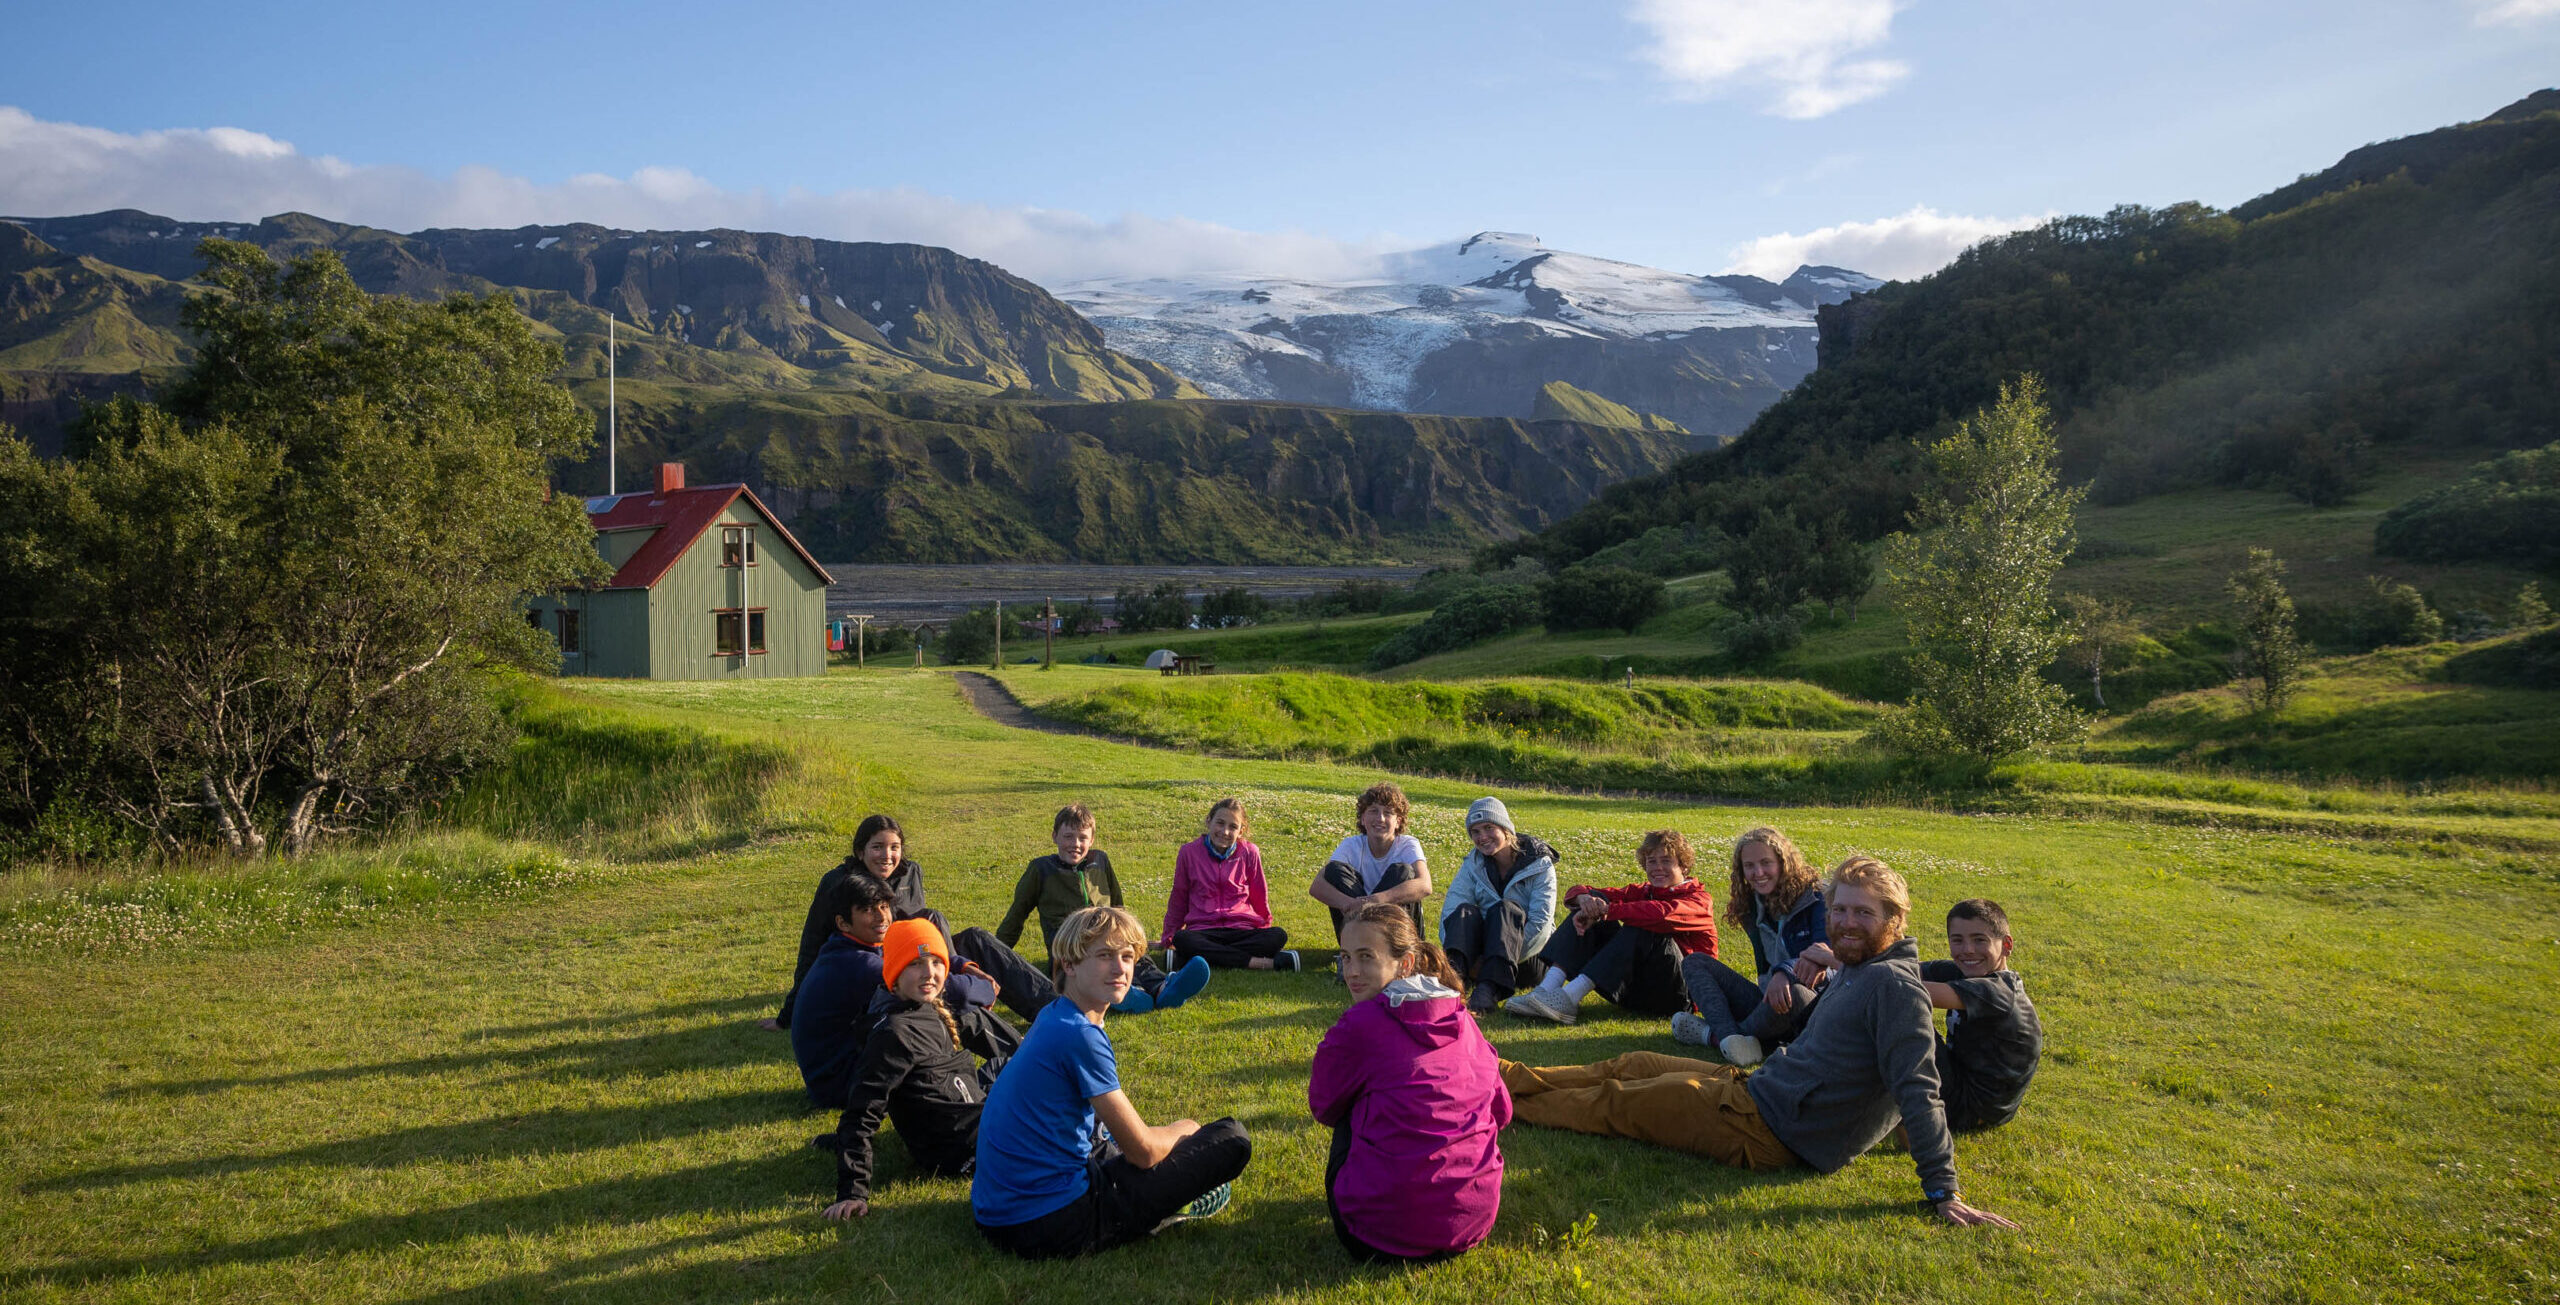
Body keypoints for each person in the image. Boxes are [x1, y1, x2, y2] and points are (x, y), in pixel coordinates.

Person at [1500, 856, 2019, 1229]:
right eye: (1839, 911)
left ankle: (1497, 1100)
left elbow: (1919, 1088)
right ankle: (1503, 1074)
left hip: (1767, 1132)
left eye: (1864, 913)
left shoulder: (1895, 987)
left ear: (1894, 920)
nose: (1846, 923)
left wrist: (1942, 1190)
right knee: (1634, 1062)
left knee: (1618, 1101)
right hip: (1755, 1091)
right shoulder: (1865, 968)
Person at [973, 906, 1254, 1259]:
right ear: (1069, 964)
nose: (1120, 968)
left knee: (1121, 1149)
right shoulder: (1080, 1036)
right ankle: (1163, 1212)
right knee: (1231, 1139)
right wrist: (1185, 1130)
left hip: (996, 1211)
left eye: (1126, 956)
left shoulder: (1056, 1014)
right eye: (1104, 956)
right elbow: (1143, 1151)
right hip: (1048, 1224)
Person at [1310, 903, 1508, 1264]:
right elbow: (1503, 1111)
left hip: (1376, 1236)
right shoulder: (1464, 1019)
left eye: (1366, 957)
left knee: (1350, 1107)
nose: (1352, 972)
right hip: (1473, 1222)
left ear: (1405, 964)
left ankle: (1392, 1197)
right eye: (1346, 957)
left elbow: (1323, 1106)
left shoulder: (1359, 1025)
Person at [816, 919, 1021, 1219]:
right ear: (894, 975)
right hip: (961, 1147)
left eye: (937, 962)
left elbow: (972, 1027)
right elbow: (864, 1109)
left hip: (968, 1113)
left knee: (1016, 1064)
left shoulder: (925, 1008)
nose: (929, 973)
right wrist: (852, 1193)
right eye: (915, 964)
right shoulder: (894, 1033)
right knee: (1042, 1091)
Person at [990, 803, 1210, 1013]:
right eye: (1068, 836)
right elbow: (1016, 916)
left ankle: (1163, 987)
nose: (1075, 844)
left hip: (1107, 931)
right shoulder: (1041, 869)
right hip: (1071, 943)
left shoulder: (1100, 860)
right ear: (1055, 836)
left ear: (1092, 839)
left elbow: (1117, 903)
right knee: (1102, 956)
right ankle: (1127, 992)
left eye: (1082, 838)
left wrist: (1129, 934)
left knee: (1128, 951)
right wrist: (995, 955)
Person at [1504, 830, 1717, 1025]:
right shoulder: (1643, 891)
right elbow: (1580, 891)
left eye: (1666, 861)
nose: (1657, 868)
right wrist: (1585, 900)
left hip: (1680, 996)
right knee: (1590, 909)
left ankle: (1569, 998)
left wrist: (1606, 910)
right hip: (1634, 993)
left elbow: (1662, 914)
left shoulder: (1699, 900)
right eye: (1652, 861)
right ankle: (1545, 991)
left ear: (1684, 866)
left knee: (1645, 925)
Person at [1674, 825, 1828, 1066]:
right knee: (1695, 963)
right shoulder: (1753, 905)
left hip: (1812, 1003)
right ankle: (1733, 1038)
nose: (1758, 873)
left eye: (1766, 863)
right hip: (1769, 999)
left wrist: (1785, 972)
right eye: (1749, 866)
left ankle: (1715, 1036)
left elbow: (1827, 954)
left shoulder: (1816, 899)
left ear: (1784, 862)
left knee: (1795, 994)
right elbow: (1764, 967)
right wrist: (1774, 979)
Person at [767, 814, 932, 1031]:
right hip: (864, 969)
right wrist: (787, 1016)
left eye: (895, 847)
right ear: (860, 851)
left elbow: (919, 931)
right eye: (877, 847)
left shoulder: (910, 873)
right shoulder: (838, 884)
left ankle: (959, 986)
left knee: (949, 925)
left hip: (907, 960)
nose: (887, 855)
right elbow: (812, 944)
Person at [1922, 898, 2042, 1132]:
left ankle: (1909, 1126)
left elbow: (1908, 989)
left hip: (1971, 1110)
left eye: (1980, 940)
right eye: (1958, 940)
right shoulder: (1964, 971)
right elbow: (1903, 969)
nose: (1968, 950)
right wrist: (1838, 961)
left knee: (1902, 1016)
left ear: (2006, 945)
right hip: (1963, 1087)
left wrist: (1854, 972)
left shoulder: (2000, 992)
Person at [1437, 796, 1558, 1013]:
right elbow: (1450, 913)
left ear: (1505, 829)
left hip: (1527, 960)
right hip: (1483, 959)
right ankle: (1453, 980)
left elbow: (1541, 924)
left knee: (1506, 909)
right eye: (1475, 831)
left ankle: (1488, 989)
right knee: (1464, 911)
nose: (1482, 837)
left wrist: (1499, 958)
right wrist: (1477, 959)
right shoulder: (1473, 864)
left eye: (1489, 827)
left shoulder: (1540, 865)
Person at [1160, 797, 1298, 971]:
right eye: (1220, 823)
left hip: (1242, 930)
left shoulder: (1250, 852)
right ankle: (1261, 963)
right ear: (1208, 821)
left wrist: (1265, 928)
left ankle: (1191, 959)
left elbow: (1259, 895)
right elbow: (1179, 897)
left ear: (1241, 830)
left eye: (1233, 827)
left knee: (1278, 935)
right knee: (1182, 939)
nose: (1225, 832)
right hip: (1204, 930)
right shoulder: (1188, 852)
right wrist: (1169, 936)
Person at [1309, 782, 1431, 943]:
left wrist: (1373, 902)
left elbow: (1425, 885)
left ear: (1398, 822)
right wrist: (1352, 905)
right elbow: (1317, 886)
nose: (1380, 818)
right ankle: (1354, 949)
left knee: (1403, 872)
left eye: (1388, 813)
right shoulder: (1351, 845)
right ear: (1363, 818)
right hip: (1358, 925)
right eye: (1373, 811)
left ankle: (1395, 950)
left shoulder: (1408, 845)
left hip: (1397, 936)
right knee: (1334, 870)